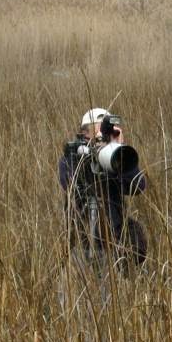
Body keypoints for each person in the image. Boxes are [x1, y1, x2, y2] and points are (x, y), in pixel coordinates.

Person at [59, 107, 147, 270]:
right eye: (98, 130)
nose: (104, 136)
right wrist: (91, 158)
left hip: (115, 236)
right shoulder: (72, 155)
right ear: (85, 133)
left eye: (107, 131)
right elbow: (69, 183)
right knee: (85, 277)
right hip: (83, 236)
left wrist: (117, 150)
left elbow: (138, 186)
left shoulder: (114, 158)